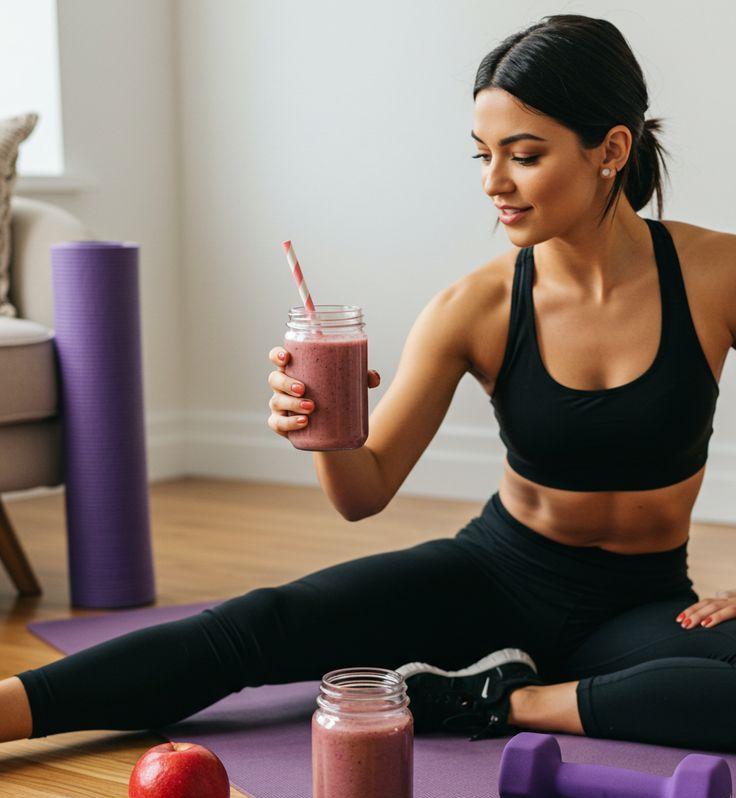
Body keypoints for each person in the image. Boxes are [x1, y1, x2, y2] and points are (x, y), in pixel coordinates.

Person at [2, 13, 735, 751]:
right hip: (494, 580)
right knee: (262, 623)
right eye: (482, 154)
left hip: (641, 610)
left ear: (611, 148)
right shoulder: (472, 308)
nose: (494, 182)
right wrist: (324, 425)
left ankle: (502, 701)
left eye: (524, 155)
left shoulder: (717, 277)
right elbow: (363, 491)